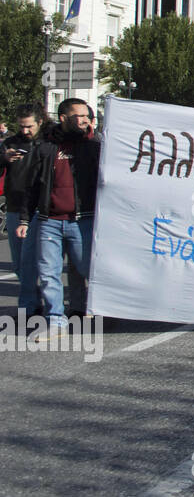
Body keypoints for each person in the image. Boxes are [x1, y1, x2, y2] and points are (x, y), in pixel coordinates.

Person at [17, 99, 100, 334]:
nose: (84, 120)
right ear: (63, 118)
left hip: (83, 220)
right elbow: (32, 185)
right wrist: (25, 219)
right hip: (49, 221)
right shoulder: (45, 147)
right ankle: (55, 319)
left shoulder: (95, 146)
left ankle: (96, 308)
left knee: (87, 269)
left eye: (86, 116)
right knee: (48, 273)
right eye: (79, 116)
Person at [3, 105, 46, 314]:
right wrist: (4, 158)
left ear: (39, 123)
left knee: (33, 260)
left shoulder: (47, 143)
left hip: (40, 207)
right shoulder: (10, 143)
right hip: (15, 206)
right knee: (20, 262)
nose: (25, 131)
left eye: (29, 126)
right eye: (21, 127)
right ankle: (34, 300)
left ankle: (30, 305)